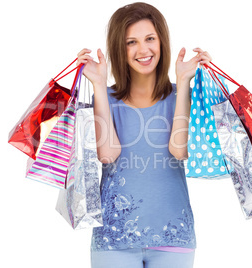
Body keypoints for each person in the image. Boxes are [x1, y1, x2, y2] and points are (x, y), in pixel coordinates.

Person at [77, 2, 212, 268]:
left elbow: (179, 150)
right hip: (113, 240)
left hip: (174, 238)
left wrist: (184, 82)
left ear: (161, 42)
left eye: (150, 38)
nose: (143, 50)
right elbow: (108, 154)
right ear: (120, 48)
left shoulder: (180, 96)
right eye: (131, 42)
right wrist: (99, 87)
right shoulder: (107, 99)